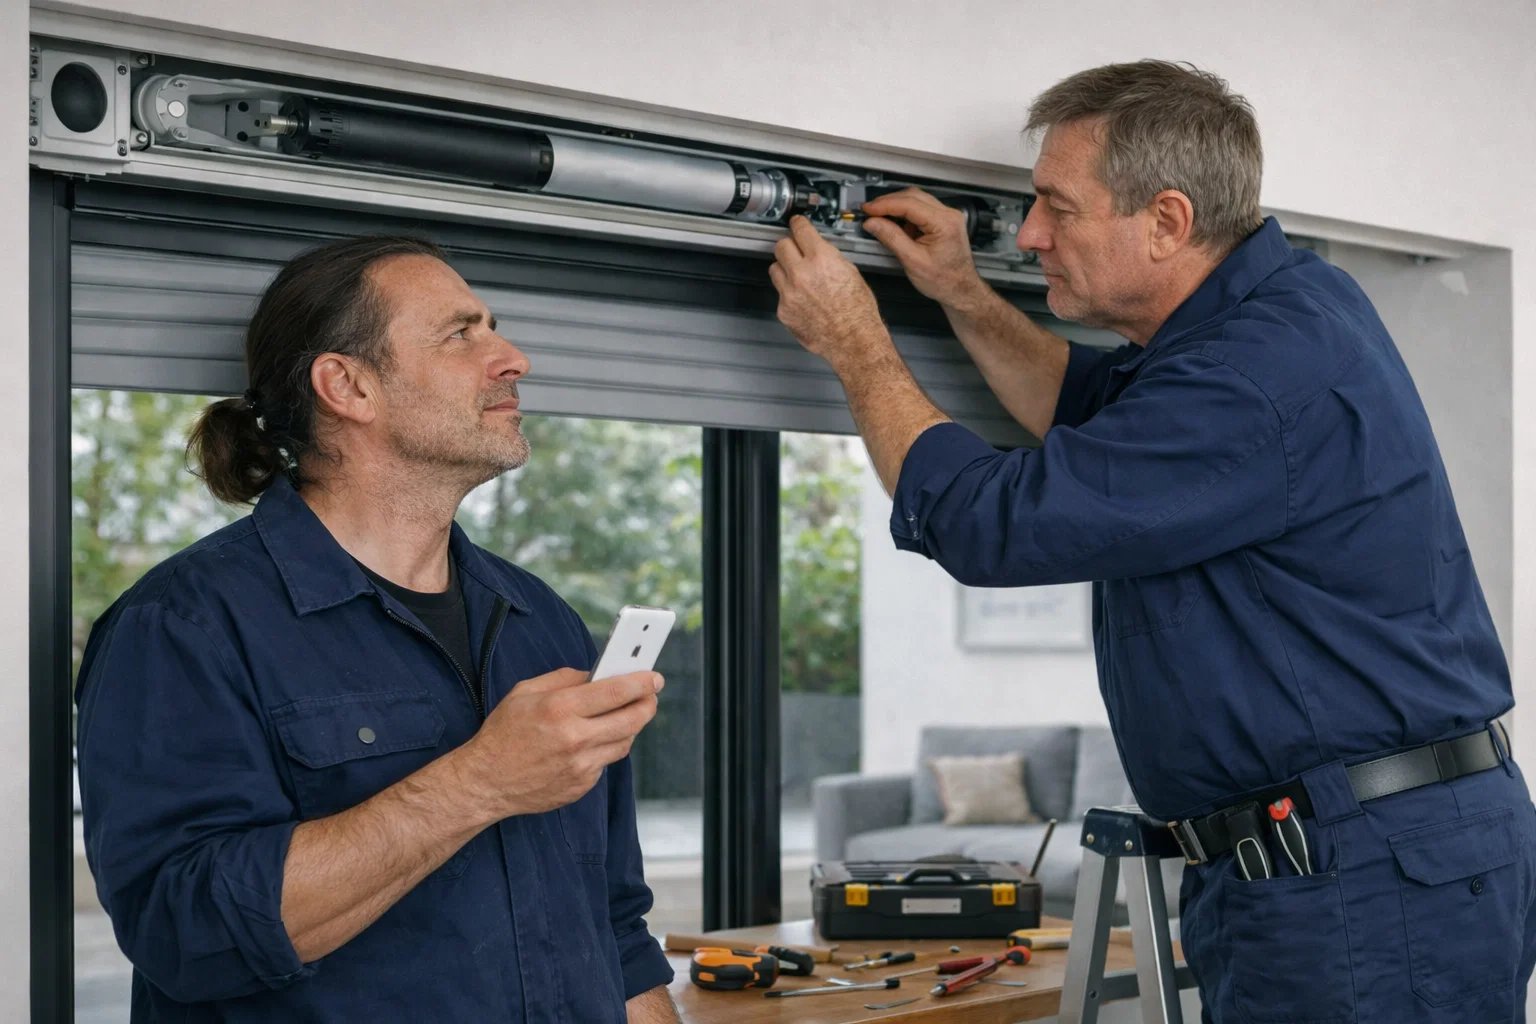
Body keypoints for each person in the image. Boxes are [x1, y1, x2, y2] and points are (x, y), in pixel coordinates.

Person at [768, 59, 1536, 1022]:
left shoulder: (1253, 374)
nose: (1031, 235)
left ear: (1168, 221)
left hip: (1361, 878)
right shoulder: (1276, 315)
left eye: (1057, 207)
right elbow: (1088, 407)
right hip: (1337, 861)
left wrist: (856, 344)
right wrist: (962, 293)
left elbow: (989, 523)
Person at [75, 236, 682, 1022]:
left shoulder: (542, 622)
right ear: (349, 385)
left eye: (493, 329)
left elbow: (614, 926)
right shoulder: (183, 625)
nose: (513, 359)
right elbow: (187, 933)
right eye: (460, 334)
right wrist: (481, 782)